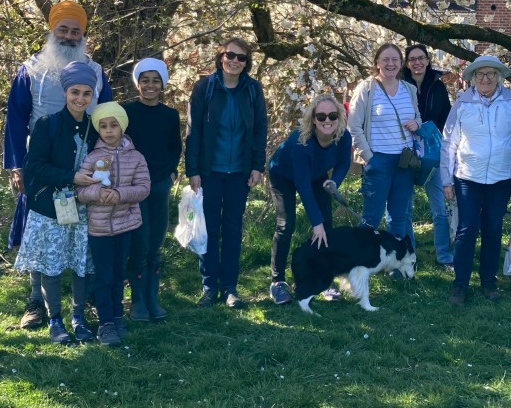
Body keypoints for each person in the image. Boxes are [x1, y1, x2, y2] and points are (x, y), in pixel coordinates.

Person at [4, 0, 112, 330]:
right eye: (62, 29)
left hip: (85, 167)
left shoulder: (94, 72)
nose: (68, 36)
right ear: (52, 31)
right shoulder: (31, 69)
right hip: (40, 166)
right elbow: (16, 120)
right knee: (39, 234)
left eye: (75, 31)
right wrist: (16, 167)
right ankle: (36, 301)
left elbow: (108, 121)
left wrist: (106, 170)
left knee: (85, 231)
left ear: (83, 34)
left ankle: (85, 302)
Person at [14, 62, 102, 344]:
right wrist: (70, 176)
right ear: (65, 92)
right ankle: (55, 320)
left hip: (84, 208)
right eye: (75, 92)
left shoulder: (96, 127)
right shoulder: (47, 124)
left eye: (86, 93)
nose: (80, 99)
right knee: (51, 266)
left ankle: (79, 317)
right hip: (51, 207)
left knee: (80, 264)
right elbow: (34, 167)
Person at [185, 38, 267, 309]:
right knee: (208, 230)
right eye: (230, 55)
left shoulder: (253, 90)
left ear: (247, 63)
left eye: (241, 58)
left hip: (239, 173)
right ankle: (209, 286)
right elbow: (193, 131)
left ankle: (230, 288)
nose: (235, 61)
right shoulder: (204, 88)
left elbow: (259, 131)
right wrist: (193, 170)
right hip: (209, 172)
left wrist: (257, 166)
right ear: (221, 57)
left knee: (232, 230)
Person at [441, 55, 511, 306]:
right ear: (473, 78)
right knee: (467, 230)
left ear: (498, 76)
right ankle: (460, 283)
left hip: (502, 178)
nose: (485, 79)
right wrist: (447, 180)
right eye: (480, 75)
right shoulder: (462, 103)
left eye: (490, 74)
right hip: (468, 176)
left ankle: (488, 281)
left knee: (492, 228)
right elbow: (449, 142)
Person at [267, 94, 353, 304]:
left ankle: (321, 278)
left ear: (339, 117)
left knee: (327, 226)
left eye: (332, 115)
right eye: (321, 116)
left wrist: (335, 182)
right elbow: (303, 186)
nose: (327, 120)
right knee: (286, 224)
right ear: (313, 119)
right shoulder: (301, 143)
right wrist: (316, 224)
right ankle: (278, 282)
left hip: (317, 175)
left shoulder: (343, 136)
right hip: (284, 175)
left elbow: (343, 163)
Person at [77, 102, 151, 345]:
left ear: (123, 126)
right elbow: (80, 191)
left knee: (119, 274)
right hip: (99, 228)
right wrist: (98, 194)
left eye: (114, 125)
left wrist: (119, 194)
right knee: (104, 276)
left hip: (126, 225)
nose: (109, 131)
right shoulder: (93, 157)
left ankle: (118, 316)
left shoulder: (137, 157)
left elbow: (143, 188)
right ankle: (105, 323)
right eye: (103, 126)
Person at [122, 58, 181, 321]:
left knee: (155, 242)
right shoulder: (126, 112)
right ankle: (137, 302)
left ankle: (152, 299)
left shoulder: (170, 115)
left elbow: (175, 148)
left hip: (158, 184)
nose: (150, 85)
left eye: (155, 81)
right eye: (145, 80)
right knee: (139, 242)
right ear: (137, 84)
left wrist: (169, 174)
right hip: (133, 186)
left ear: (163, 85)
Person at [348, 43, 421, 240]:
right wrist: (369, 157)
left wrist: (417, 123)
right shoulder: (366, 88)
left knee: (398, 217)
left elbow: (418, 118)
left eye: (395, 60)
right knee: (371, 218)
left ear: (401, 63)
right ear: (377, 63)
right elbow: (353, 126)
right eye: (386, 59)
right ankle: (360, 265)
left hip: (405, 161)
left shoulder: (409, 89)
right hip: (379, 160)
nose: (391, 64)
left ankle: (395, 267)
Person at [404, 44, 454, 270]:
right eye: (412, 59)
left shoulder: (438, 86)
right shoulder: (400, 86)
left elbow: (447, 117)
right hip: (406, 153)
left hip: (433, 154)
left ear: (427, 60)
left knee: (439, 209)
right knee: (403, 208)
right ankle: (408, 254)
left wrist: (432, 134)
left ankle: (444, 255)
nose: (417, 63)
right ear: (407, 63)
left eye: (421, 58)